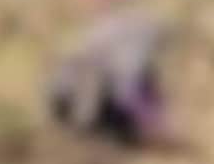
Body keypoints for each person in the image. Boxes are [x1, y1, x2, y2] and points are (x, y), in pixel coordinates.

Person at [47, 9, 169, 148]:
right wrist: (153, 124)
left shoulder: (115, 34)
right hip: (79, 102)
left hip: (78, 96)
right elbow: (125, 91)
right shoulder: (134, 47)